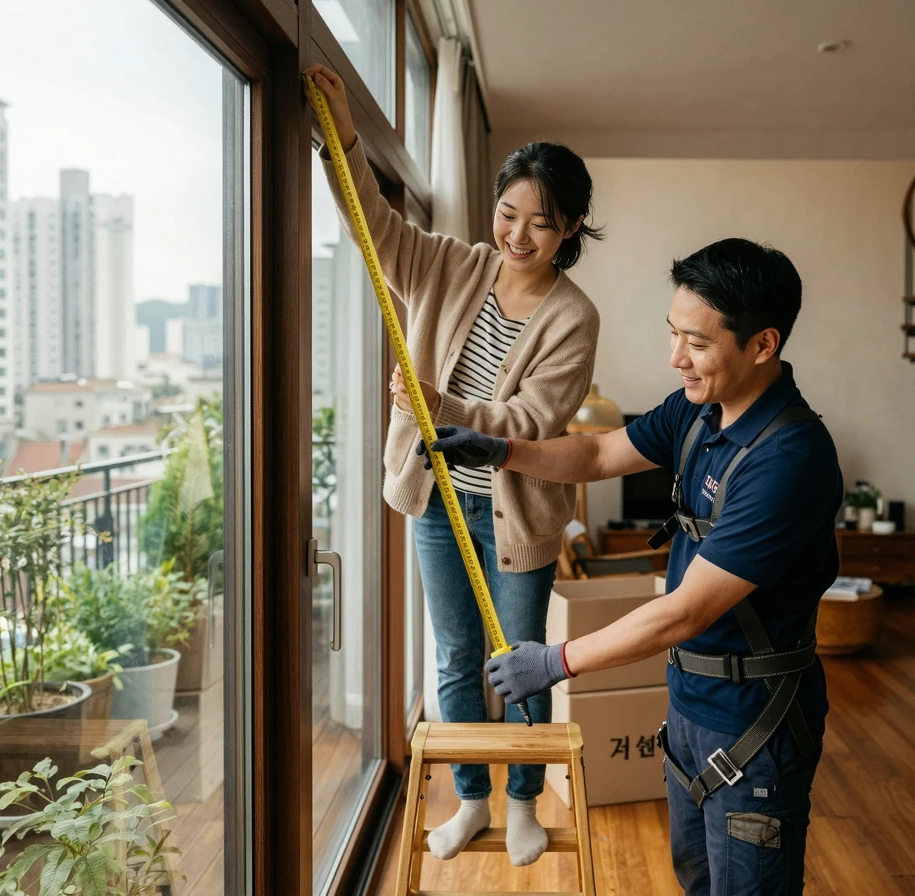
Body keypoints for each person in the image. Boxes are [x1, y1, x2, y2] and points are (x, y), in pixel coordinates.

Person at [420, 238, 842, 894]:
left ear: (763, 344)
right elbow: (595, 457)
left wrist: (554, 663)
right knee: (695, 880)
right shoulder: (698, 410)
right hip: (689, 711)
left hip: (755, 726)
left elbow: (684, 611)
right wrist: (502, 449)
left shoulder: (789, 460)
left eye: (697, 343)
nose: (676, 358)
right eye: (673, 334)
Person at [303, 65, 603, 867]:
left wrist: (446, 408)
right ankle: (472, 801)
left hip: (518, 513)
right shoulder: (452, 266)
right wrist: (344, 136)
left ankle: (524, 803)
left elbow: (533, 422)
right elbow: (372, 220)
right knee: (454, 658)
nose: (518, 235)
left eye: (541, 223)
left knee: (523, 663)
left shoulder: (574, 316)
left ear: (569, 227)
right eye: (508, 214)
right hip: (440, 504)